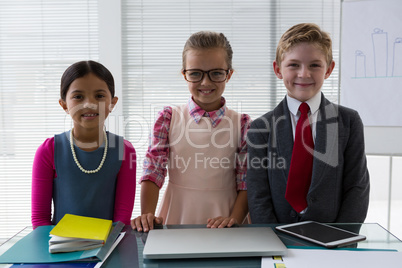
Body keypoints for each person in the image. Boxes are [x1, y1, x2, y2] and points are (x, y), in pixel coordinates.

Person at [246, 23, 370, 224]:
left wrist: (341, 239)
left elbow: (357, 187)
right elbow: (258, 195)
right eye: (294, 65)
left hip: (334, 241)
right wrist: (271, 241)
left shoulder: (348, 122)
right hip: (277, 240)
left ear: (329, 69)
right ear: (278, 70)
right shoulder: (261, 128)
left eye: (314, 65)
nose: (304, 74)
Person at [131, 31, 251, 232]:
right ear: (184, 73)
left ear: (228, 74)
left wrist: (234, 220)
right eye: (195, 73)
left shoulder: (242, 124)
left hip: (227, 217)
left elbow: (246, 181)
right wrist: (146, 216)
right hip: (176, 214)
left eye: (216, 73)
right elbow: (153, 170)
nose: (205, 82)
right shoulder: (168, 118)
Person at [31, 60, 136, 228]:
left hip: (108, 249)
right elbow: (40, 219)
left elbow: (121, 220)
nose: (89, 103)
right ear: (64, 104)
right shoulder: (48, 150)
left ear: (113, 103)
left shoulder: (125, 151)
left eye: (99, 96)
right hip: (60, 250)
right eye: (78, 97)